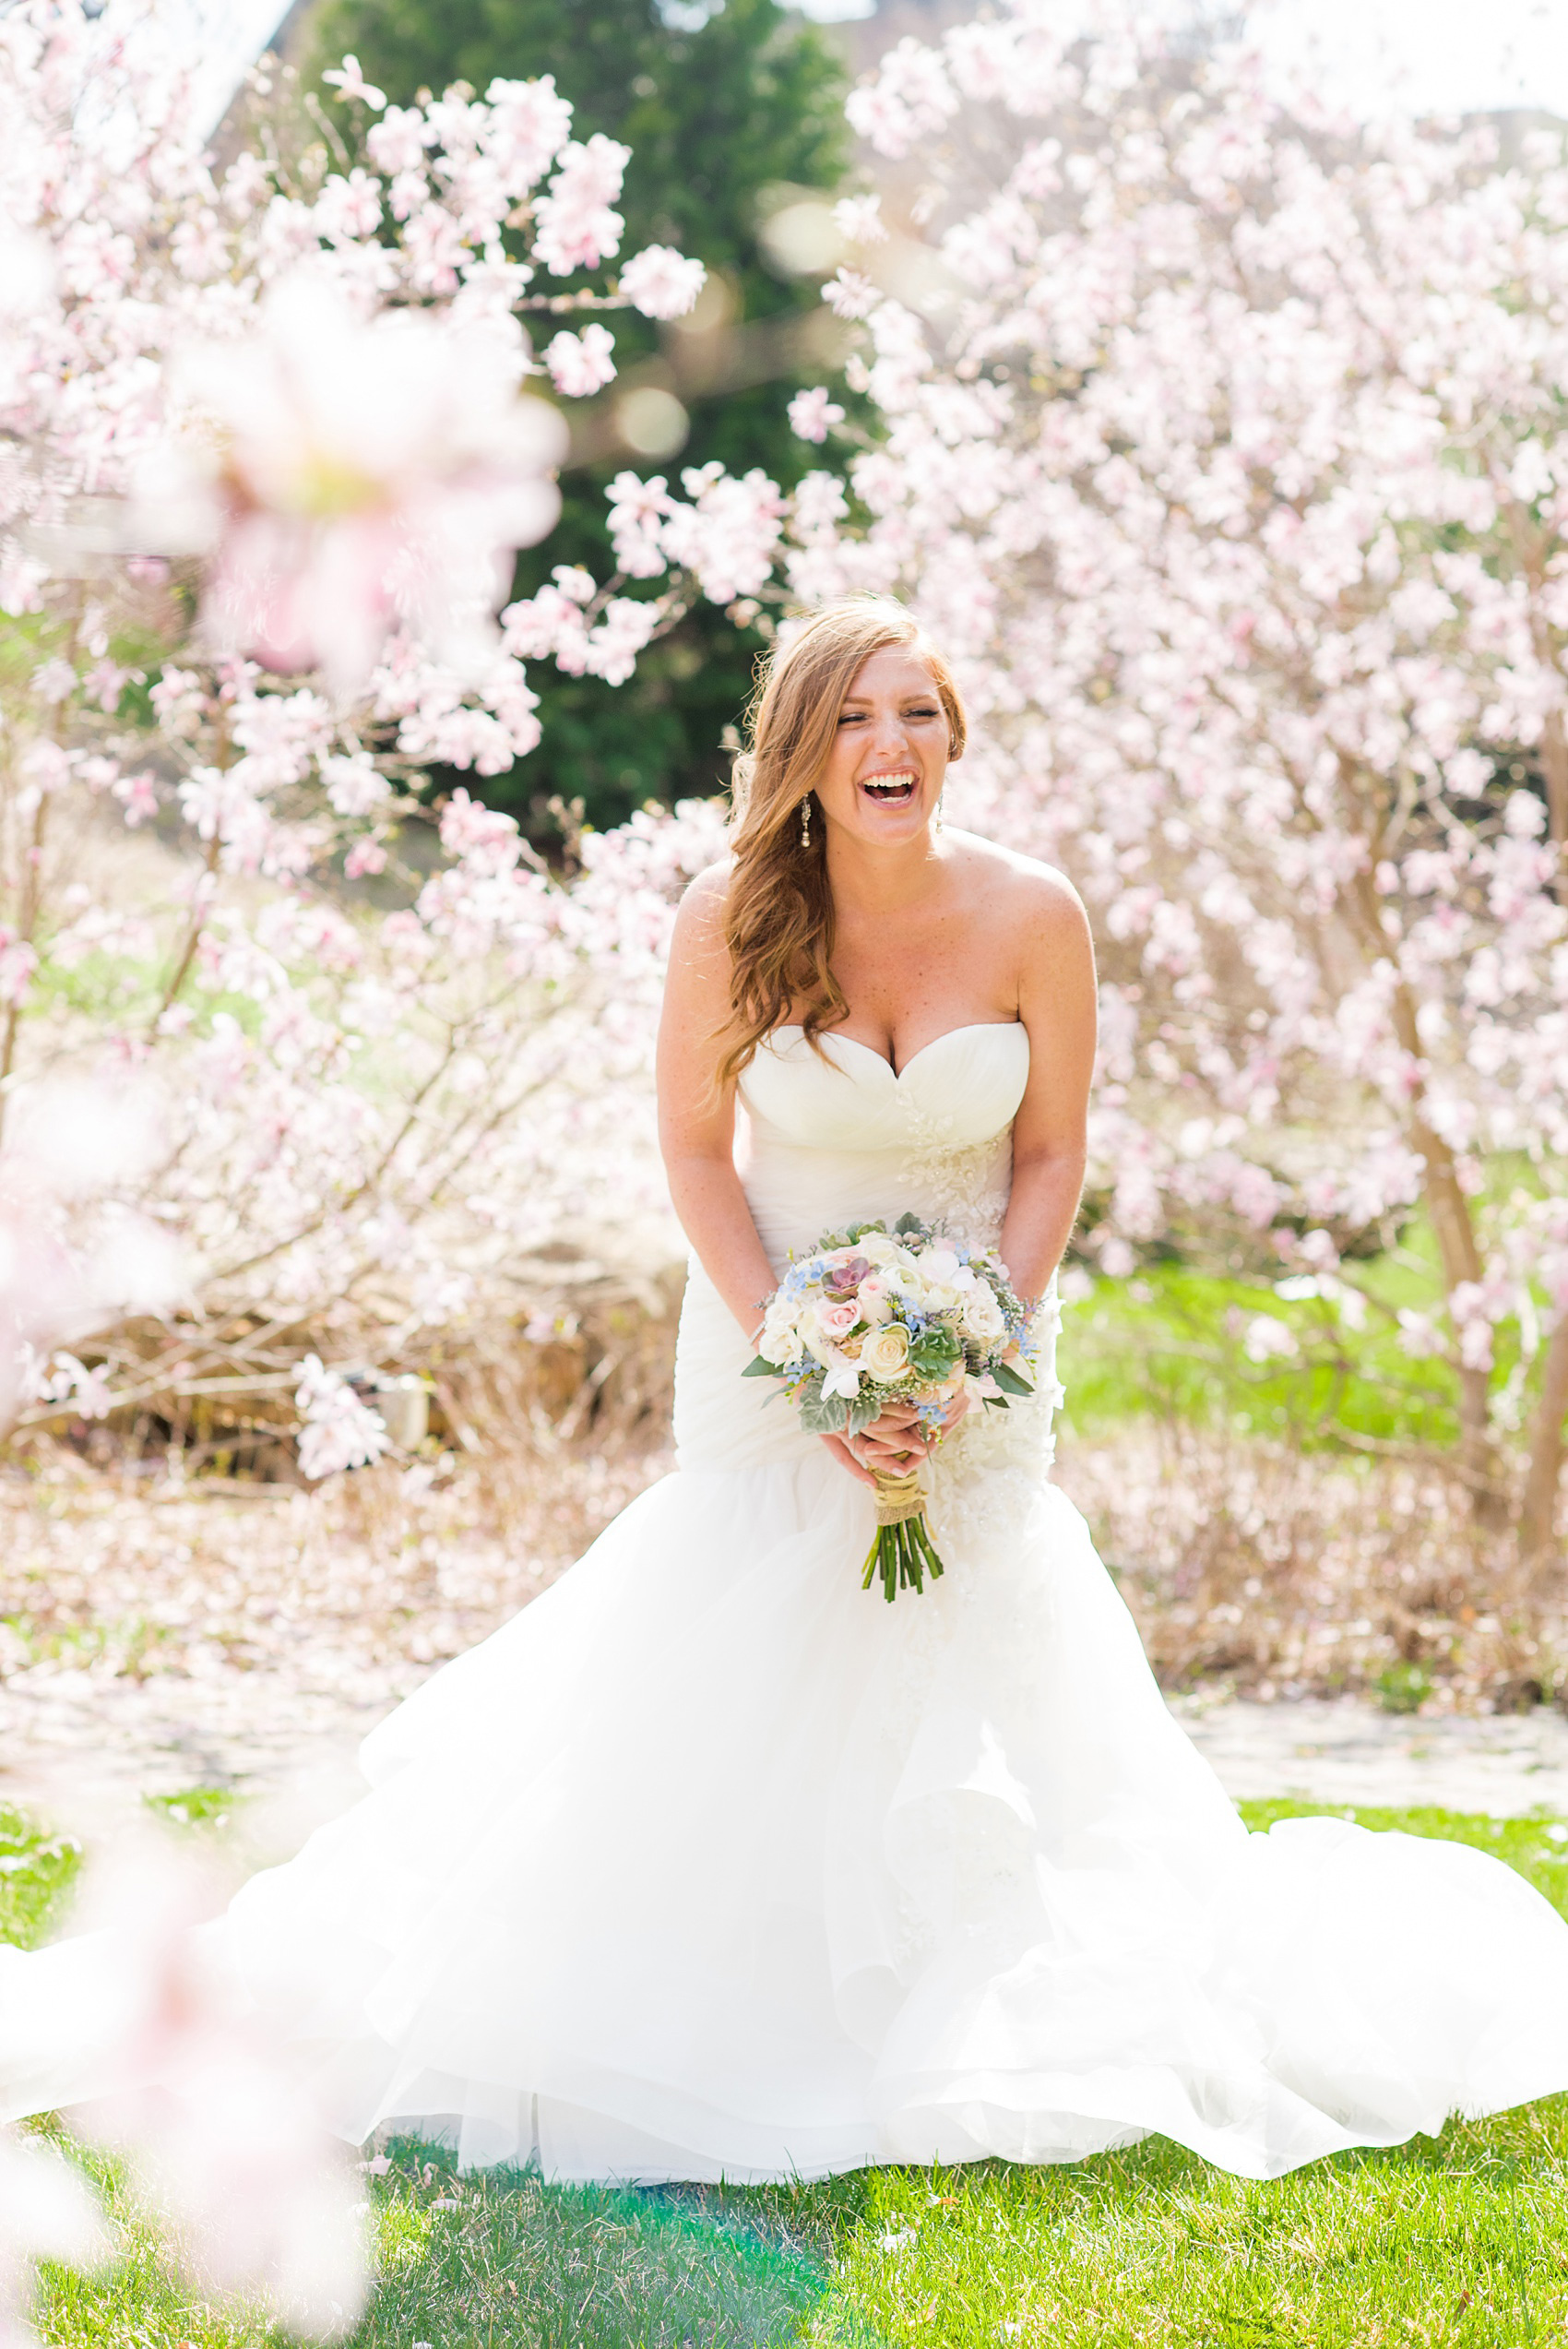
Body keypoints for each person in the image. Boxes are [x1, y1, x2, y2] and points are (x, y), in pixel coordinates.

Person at [5, 594, 1568, 2184]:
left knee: (975, 1619)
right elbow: (694, 1151)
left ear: (955, 736)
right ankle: (728, 1977)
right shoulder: (726, 914)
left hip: (981, 1341)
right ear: (802, 751)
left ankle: (970, 1958)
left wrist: (983, 1344)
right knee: (754, 1612)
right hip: (767, 1334)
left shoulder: (1038, 913)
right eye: (854, 718)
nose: (890, 746)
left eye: (919, 715)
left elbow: (1050, 1151)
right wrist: (806, 1364)